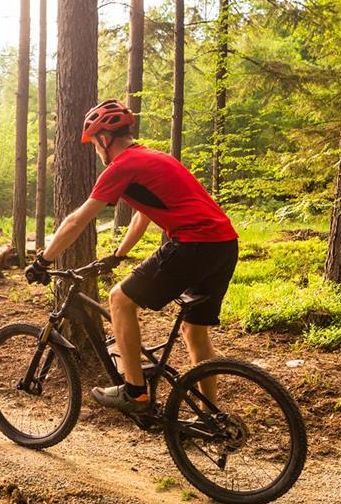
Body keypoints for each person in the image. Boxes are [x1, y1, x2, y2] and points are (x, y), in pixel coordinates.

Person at [25, 99, 238, 413]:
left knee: (120, 300)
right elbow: (143, 215)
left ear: (104, 139)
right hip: (224, 245)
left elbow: (77, 220)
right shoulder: (154, 158)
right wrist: (118, 254)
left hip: (193, 244)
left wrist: (44, 259)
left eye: (95, 144)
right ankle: (211, 417)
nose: (97, 152)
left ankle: (135, 393)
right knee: (194, 330)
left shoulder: (122, 166)